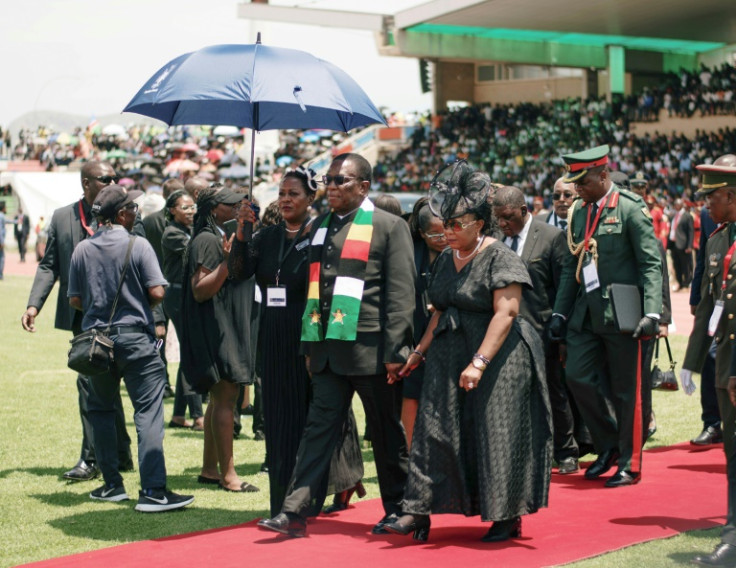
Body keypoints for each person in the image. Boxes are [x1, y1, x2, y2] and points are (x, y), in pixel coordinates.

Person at [383, 160, 552, 543]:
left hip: (499, 358)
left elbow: (506, 313)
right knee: (432, 429)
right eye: (445, 224)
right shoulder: (446, 257)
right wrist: (418, 352)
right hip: (446, 353)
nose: (448, 232)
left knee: (497, 433)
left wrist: (479, 362)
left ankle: (507, 516)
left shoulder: (501, 257)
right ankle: (417, 511)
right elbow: (440, 308)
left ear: (480, 222)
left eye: (456, 224)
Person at [258, 152, 414, 538]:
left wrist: (397, 352)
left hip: (371, 351)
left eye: (340, 181)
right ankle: (293, 511)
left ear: (363, 187)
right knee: (317, 431)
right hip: (327, 350)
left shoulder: (389, 226)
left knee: (385, 434)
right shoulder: (319, 225)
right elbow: (315, 289)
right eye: (328, 180)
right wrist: (310, 347)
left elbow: (400, 293)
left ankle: (403, 509)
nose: (331, 187)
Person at [229, 166, 364, 518]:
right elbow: (238, 272)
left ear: (311, 198)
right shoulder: (266, 236)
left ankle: (308, 501)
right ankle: (281, 504)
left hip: (308, 337)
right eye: (282, 193)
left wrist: (314, 342)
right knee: (276, 422)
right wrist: (243, 234)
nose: (286, 199)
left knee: (309, 423)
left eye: (294, 194)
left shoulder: (321, 233)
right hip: (272, 336)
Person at [67, 184, 194, 512]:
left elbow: (75, 300)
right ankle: (153, 491)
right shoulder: (138, 245)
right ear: (121, 214)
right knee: (148, 413)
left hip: (97, 342)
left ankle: (112, 486)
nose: (136, 212)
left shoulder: (82, 249)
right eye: (132, 208)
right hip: (136, 338)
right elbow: (158, 292)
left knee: (100, 412)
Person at [550, 144, 663, 488]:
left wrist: (653, 312)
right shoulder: (580, 213)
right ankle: (609, 445)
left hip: (623, 311)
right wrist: (560, 310)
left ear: (603, 175)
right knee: (578, 377)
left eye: (582, 182)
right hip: (586, 312)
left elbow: (650, 263)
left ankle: (629, 463)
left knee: (626, 390)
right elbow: (573, 267)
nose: (576, 190)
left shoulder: (630, 208)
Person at [21, 161, 133, 482]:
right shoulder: (62, 217)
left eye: (115, 176)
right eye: (104, 178)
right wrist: (33, 305)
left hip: (118, 313)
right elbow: (49, 265)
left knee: (105, 381)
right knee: (90, 381)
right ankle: (94, 458)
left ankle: (116, 452)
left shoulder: (124, 215)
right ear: (86, 184)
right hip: (82, 315)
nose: (113, 181)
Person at [493, 185, 578, 474]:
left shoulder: (551, 237)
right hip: (505, 331)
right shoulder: (495, 239)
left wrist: (561, 327)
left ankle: (566, 451)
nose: (503, 224)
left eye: (507, 218)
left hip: (542, 331)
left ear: (524, 211)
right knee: (511, 394)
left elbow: (563, 285)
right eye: (498, 219)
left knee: (553, 391)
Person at [180, 186, 259, 493]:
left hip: (218, 324)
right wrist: (227, 263)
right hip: (217, 328)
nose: (241, 206)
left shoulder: (210, 236)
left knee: (218, 399)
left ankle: (209, 469)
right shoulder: (208, 240)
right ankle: (229, 476)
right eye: (233, 204)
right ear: (215, 209)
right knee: (226, 397)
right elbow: (201, 289)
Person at [688, 163, 736, 567]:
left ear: (732, 198)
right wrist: (691, 361)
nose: (706, 204)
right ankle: (733, 538)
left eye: (712, 197)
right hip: (724, 369)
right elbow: (709, 305)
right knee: (733, 455)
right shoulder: (718, 240)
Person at [403, 197, 446, 449]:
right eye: (435, 236)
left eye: (446, 233)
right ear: (421, 233)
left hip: (448, 336)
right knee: (411, 394)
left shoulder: (458, 249)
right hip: (414, 336)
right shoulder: (410, 252)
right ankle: (411, 452)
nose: (442, 240)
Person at [160, 189, 203, 430]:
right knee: (190, 353)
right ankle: (198, 416)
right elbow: (197, 251)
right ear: (172, 210)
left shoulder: (187, 230)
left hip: (184, 293)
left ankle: (178, 415)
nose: (190, 211)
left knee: (189, 350)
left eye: (192, 207)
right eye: (184, 208)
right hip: (176, 294)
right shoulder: (173, 234)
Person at [143, 178, 186, 400]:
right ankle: (180, 387)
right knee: (182, 339)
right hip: (175, 287)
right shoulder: (180, 224)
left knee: (158, 338)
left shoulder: (149, 221)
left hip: (154, 287)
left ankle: (163, 382)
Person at [668, 198, 695, 291]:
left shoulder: (687, 216)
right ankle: (679, 282)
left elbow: (691, 231)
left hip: (683, 244)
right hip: (673, 243)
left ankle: (686, 284)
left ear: (682, 205)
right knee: (677, 265)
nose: (677, 206)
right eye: (675, 204)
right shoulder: (673, 215)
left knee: (685, 265)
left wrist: (689, 245)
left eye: (678, 204)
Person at [0, 201, 5, 279]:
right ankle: (0, 275)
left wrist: (15, 222)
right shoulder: (1, 216)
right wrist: (1, 241)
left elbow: (6, 221)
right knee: (2, 257)